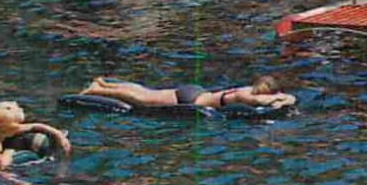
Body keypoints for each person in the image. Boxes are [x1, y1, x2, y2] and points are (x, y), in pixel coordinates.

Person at [78, 75, 295, 113]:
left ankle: (105, 85)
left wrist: (283, 98)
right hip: (191, 99)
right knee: (142, 99)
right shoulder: (246, 96)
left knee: (145, 91)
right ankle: (97, 89)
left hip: (196, 92)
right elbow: (259, 101)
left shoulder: (247, 88)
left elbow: (290, 97)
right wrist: (279, 100)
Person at [0, 101, 72, 170]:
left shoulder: (3, 128)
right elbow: (1, 165)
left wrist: (59, 136)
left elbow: (36, 126)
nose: (20, 127)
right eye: (16, 125)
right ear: (4, 127)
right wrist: (11, 150)